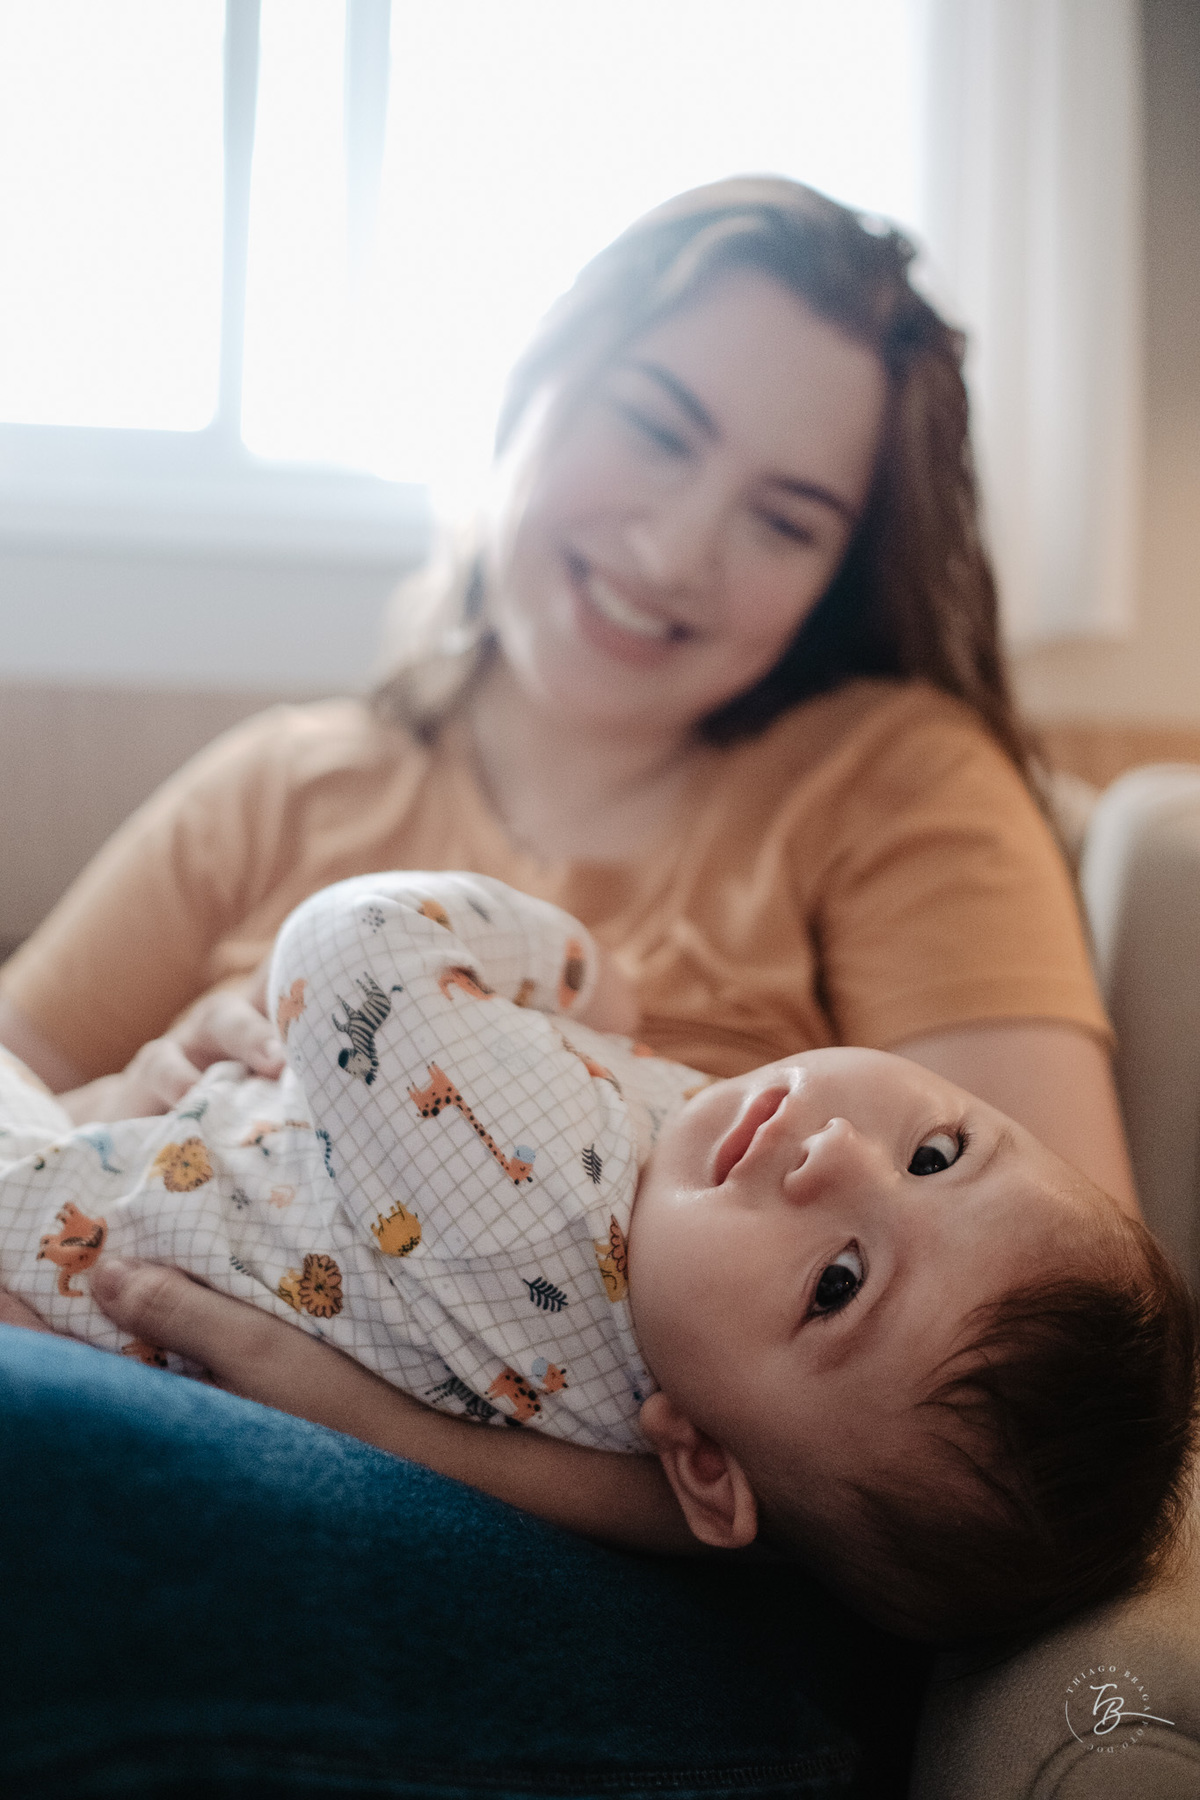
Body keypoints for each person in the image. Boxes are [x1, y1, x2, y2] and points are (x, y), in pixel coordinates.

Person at [0, 177, 1143, 1789]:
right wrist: (145, 1089)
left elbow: (995, 1420)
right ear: (533, 382)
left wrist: (353, 1409)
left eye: (786, 518)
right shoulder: (281, 785)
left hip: (611, 1587)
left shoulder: (895, 781)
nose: (675, 551)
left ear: (841, 569)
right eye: (656, 428)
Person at [1, 871, 1191, 1652]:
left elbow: (348, 942)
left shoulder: (546, 1196)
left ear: (708, 1461)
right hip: (113, 1158)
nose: (835, 1154)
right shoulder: (731, 1391)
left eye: (839, 1285)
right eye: (938, 1151)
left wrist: (573, 969)